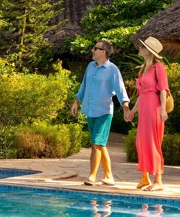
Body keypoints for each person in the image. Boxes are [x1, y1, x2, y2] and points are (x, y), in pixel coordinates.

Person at [70, 39, 130, 186]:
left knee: (95, 144)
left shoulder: (112, 69)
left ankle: (92, 176)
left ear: (103, 52)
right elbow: (84, 85)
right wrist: (76, 101)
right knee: (101, 145)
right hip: (90, 111)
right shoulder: (90, 66)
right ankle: (109, 176)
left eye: (95, 48)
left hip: (104, 112)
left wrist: (126, 108)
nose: (93, 50)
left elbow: (121, 90)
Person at [125, 37, 169, 191]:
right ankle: (145, 177)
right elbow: (141, 94)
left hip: (154, 108)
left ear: (149, 51)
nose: (140, 48)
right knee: (141, 142)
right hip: (144, 108)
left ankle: (158, 181)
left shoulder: (158, 67)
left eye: (142, 46)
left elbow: (163, 89)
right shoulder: (144, 69)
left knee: (153, 143)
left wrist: (163, 109)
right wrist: (132, 111)